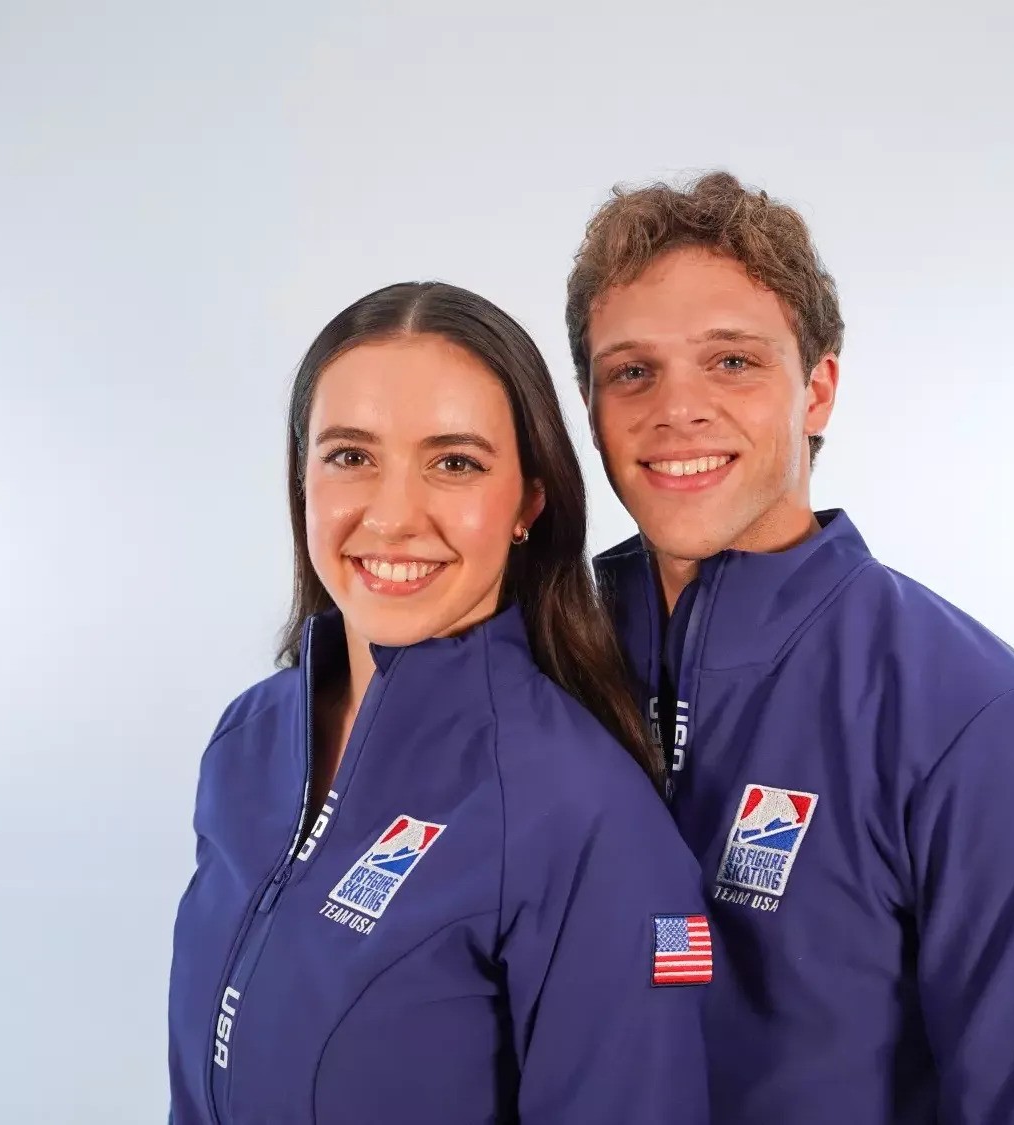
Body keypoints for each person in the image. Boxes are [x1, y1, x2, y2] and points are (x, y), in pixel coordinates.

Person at [566, 172, 1014, 1123]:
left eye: (732, 362)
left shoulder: (986, 726)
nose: (677, 409)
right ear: (590, 408)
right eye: (632, 371)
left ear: (818, 390)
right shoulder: (549, 673)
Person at [166, 282, 712, 1125]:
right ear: (301, 474)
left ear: (529, 500)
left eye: (454, 462)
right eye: (351, 455)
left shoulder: (583, 815)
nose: (391, 516)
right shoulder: (250, 737)